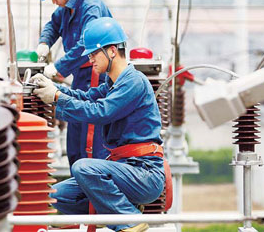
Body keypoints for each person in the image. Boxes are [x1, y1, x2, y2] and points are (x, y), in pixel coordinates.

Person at [30, 17, 167, 232]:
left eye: (93, 53)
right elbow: (86, 98)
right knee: (53, 196)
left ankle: (129, 220)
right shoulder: (112, 84)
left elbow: (101, 112)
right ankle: (112, 211)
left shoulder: (133, 81)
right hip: (124, 171)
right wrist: (53, 87)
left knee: (83, 167)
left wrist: (56, 97)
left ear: (111, 51)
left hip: (144, 174)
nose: (90, 59)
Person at [34, 0, 112, 166]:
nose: (53, 1)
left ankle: (91, 182)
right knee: (75, 131)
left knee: (91, 135)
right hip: (81, 77)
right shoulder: (66, 8)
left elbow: (85, 45)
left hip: (98, 78)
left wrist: (57, 68)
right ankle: (77, 179)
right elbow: (53, 25)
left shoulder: (90, 7)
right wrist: (44, 43)